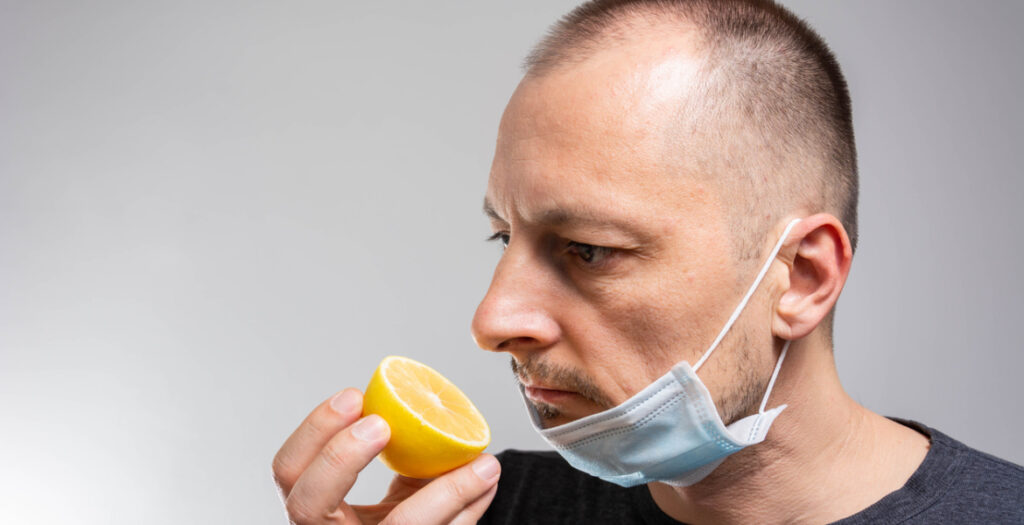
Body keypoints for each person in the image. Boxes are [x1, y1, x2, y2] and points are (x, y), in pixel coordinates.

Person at [272, 0, 1024, 523]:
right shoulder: (474, 512)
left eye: (589, 249)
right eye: (504, 237)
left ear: (801, 278)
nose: (491, 320)